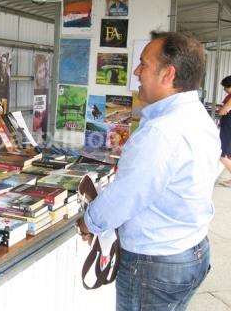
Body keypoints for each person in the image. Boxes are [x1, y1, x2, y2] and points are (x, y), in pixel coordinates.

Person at [77, 31, 221, 311]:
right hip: (191, 250)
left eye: (144, 64)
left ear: (168, 74)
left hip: (156, 266)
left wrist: (88, 222)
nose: (136, 71)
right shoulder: (198, 116)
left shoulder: (162, 132)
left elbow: (125, 196)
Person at [218, 76, 231, 181]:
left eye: (225, 87)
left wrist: (221, 110)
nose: (224, 90)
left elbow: (223, 111)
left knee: (223, 155)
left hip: (228, 128)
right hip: (227, 127)